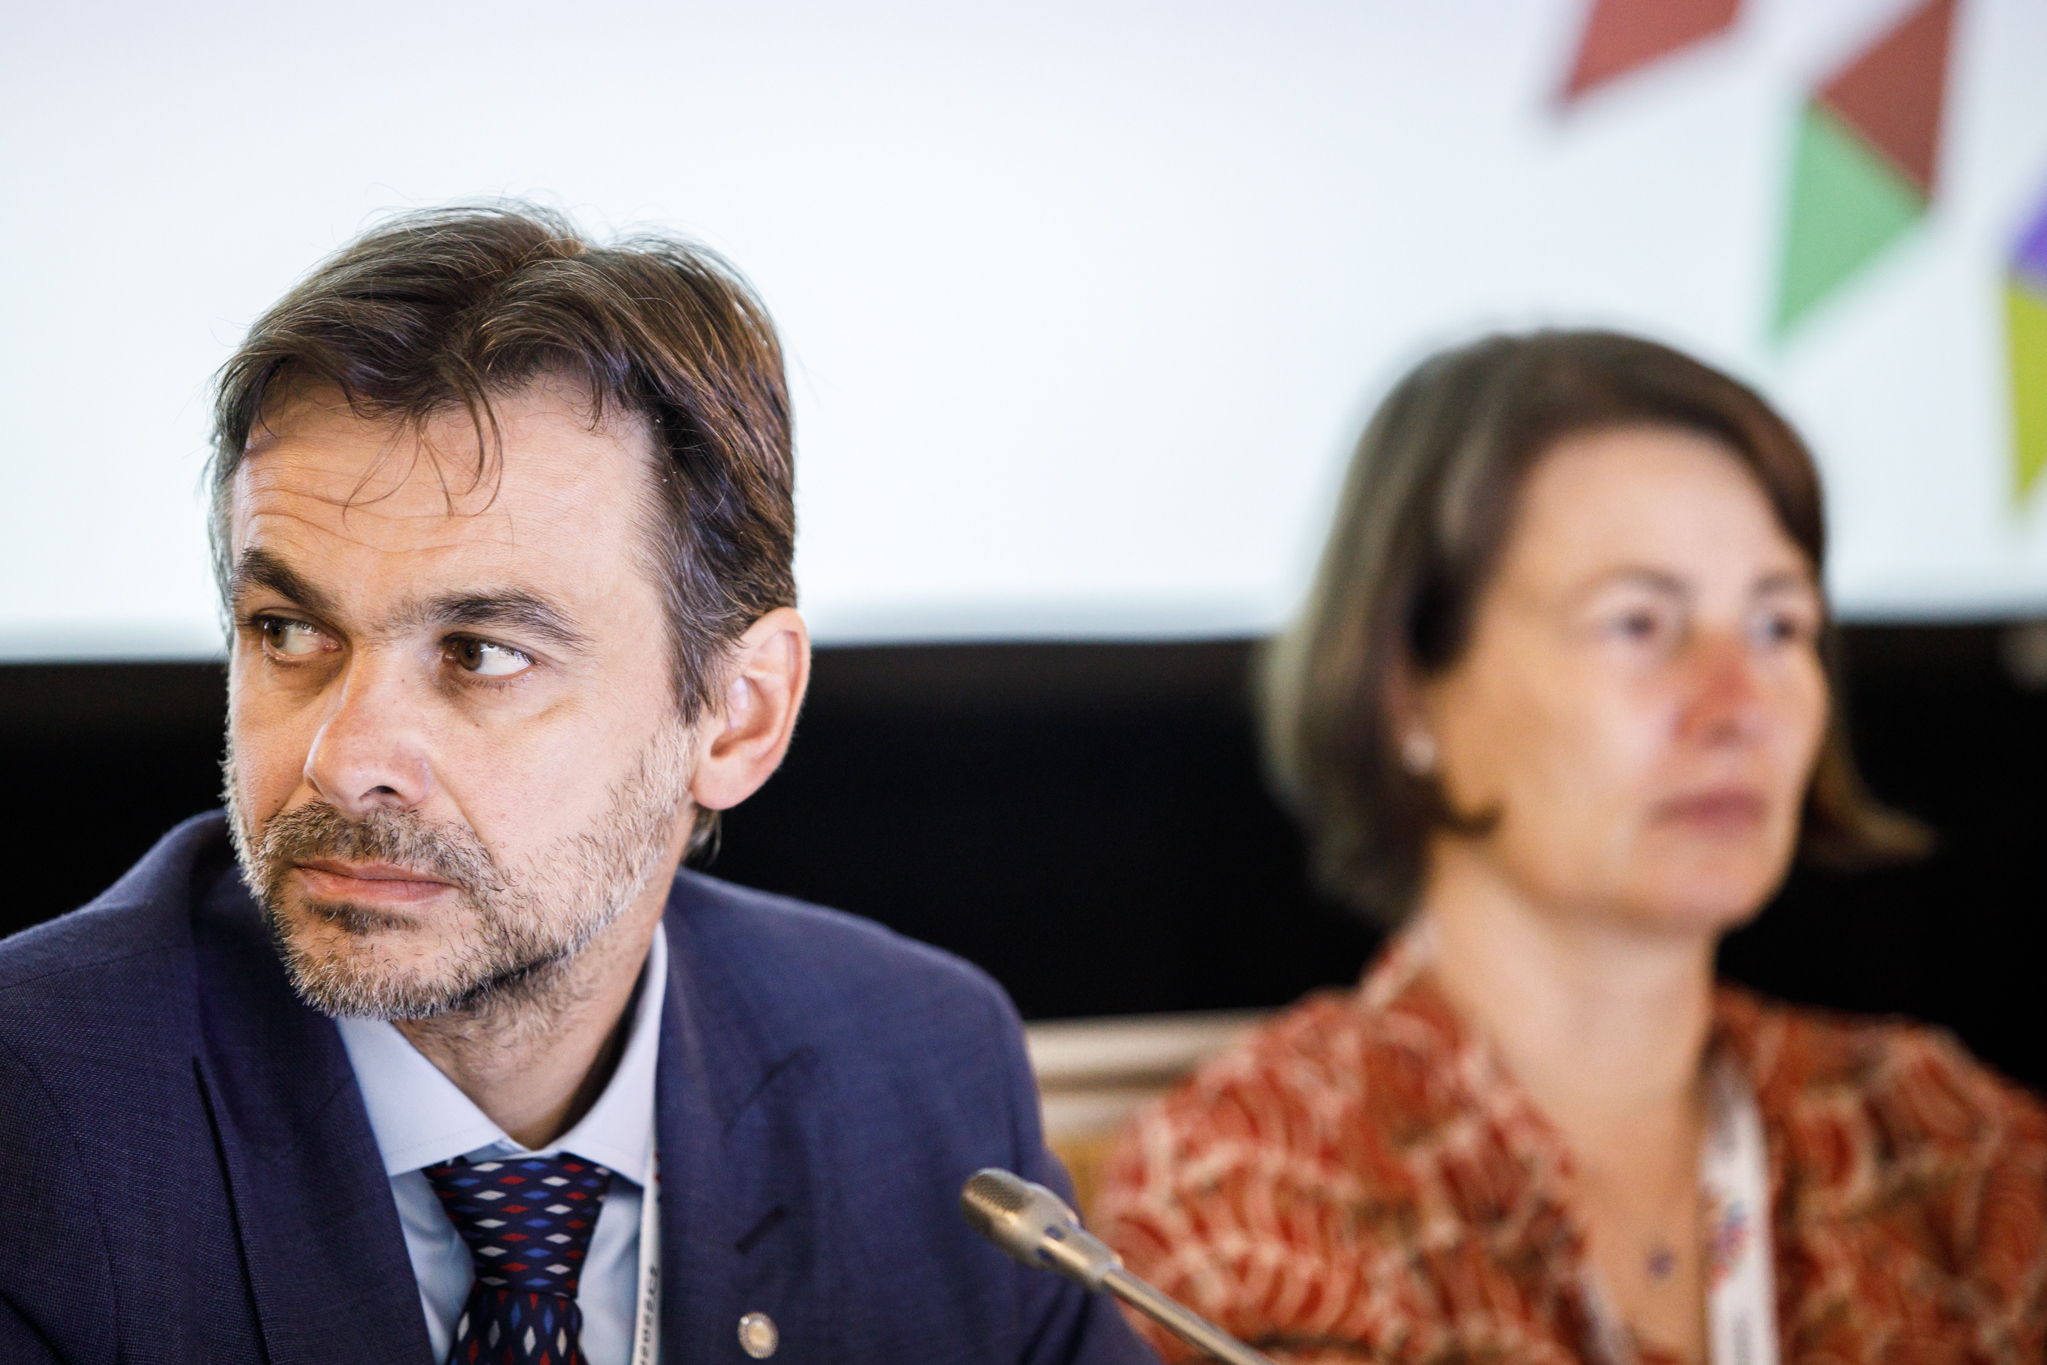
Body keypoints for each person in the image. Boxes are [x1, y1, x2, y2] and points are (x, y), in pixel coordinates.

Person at [0, 205, 1153, 1365]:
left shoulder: (921, 1072)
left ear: (739, 715)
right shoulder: (34, 1120)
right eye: (287, 631)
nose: (340, 762)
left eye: (482, 654)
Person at [1092, 331, 2047, 1364]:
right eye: (1638, 624)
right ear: (1407, 691)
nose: (1738, 703)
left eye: (1777, 626)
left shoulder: (1939, 1138)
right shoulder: (1258, 1176)